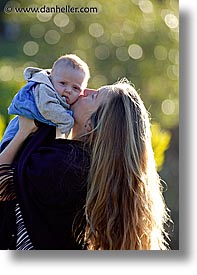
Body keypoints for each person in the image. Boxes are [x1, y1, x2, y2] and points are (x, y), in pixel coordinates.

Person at [0, 79, 171, 250]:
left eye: (94, 96)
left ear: (91, 124)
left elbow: (3, 184)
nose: (84, 91)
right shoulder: (90, 170)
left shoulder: (62, 165)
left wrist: (23, 132)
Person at [0, 54, 90, 151]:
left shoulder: (65, 100)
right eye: (63, 83)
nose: (68, 90)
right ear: (51, 78)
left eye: (75, 88)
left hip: (32, 140)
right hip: (15, 134)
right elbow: (47, 108)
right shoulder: (45, 89)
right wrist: (68, 121)